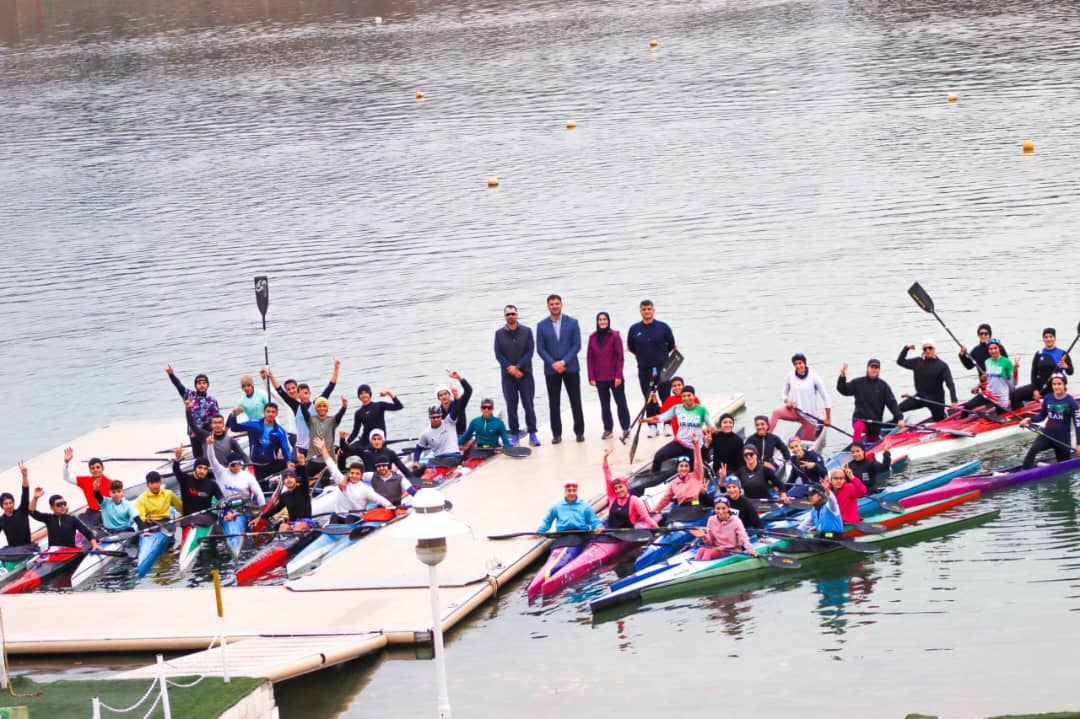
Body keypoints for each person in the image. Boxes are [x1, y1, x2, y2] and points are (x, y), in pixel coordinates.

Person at [536, 294, 586, 444]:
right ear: (548, 306)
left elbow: (576, 345)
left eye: (557, 303)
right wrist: (553, 363)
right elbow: (540, 348)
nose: (555, 306)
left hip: (570, 367)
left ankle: (579, 432)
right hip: (551, 370)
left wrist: (563, 362)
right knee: (554, 402)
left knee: (575, 401)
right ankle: (556, 434)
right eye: (552, 304)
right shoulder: (541, 325)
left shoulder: (572, 322)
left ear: (561, 304)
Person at [267, 359, 341, 455]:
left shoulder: (317, 404)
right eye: (300, 393)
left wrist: (336, 369)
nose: (303, 395)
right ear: (297, 395)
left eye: (306, 393)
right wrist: (271, 376)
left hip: (316, 445)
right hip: (301, 446)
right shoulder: (295, 406)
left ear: (309, 394)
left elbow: (330, 387)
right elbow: (280, 390)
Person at [627, 299, 676, 437]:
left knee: (665, 397)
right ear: (640, 311)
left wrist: (660, 355)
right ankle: (652, 425)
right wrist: (644, 357)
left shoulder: (663, 327)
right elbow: (631, 348)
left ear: (653, 310)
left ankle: (667, 424)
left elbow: (671, 345)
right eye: (644, 309)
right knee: (648, 397)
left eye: (649, 309)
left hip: (663, 367)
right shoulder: (634, 329)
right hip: (644, 369)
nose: (646, 312)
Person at [494, 304, 540, 446]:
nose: (511, 316)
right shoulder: (499, 334)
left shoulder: (526, 331)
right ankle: (514, 434)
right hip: (508, 377)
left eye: (513, 314)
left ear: (517, 315)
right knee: (511, 406)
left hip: (525, 374)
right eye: (508, 314)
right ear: (505, 316)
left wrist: (518, 367)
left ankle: (532, 433)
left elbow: (530, 351)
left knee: (528, 404)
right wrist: (510, 368)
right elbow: (498, 354)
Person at [587, 312, 632, 441]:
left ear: (608, 321)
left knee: (621, 403)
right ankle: (608, 429)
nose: (602, 322)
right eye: (600, 320)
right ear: (597, 322)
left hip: (615, 377)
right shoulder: (592, 337)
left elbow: (620, 357)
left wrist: (618, 375)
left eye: (605, 319)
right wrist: (591, 376)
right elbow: (590, 358)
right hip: (600, 378)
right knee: (604, 405)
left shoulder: (615, 336)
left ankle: (626, 428)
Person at [837, 358, 905, 442]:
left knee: (874, 441)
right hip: (860, 419)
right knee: (858, 428)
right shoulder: (858, 383)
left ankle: (869, 449)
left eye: (876, 368)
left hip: (875, 423)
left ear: (879, 370)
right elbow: (844, 390)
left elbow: (892, 403)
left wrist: (899, 418)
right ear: (867, 368)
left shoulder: (883, 386)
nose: (874, 369)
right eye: (872, 367)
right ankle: (856, 448)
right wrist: (842, 376)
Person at [1019, 374, 1080, 468]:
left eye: (1059, 384)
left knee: (1063, 466)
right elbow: (1041, 417)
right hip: (1047, 434)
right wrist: (1029, 419)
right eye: (1054, 384)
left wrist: (1078, 444)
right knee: (1033, 449)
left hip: (1062, 439)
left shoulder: (1072, 403)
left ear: (1064, 385)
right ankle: (1023, 472)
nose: (1056, 386)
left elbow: (1078, 425)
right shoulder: (1048, 398)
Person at [644, 386, 710, 472]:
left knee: (691, 468)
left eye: (679, 385)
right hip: (680, 441)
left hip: (694, 444)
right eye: (674, 386)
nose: (677, 388)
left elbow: (707, 422)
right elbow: (661, 413)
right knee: (658, 456)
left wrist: (707, 431)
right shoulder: (672, 403)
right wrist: (655, 401)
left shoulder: (698, 405)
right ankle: (653, 478)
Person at [768, 353, 832, 440]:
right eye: (795, 364)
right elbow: (783, 393)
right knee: (776, 412)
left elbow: (826, 398)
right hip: (794, 411)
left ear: (805, 363)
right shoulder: (790, 376)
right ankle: (766, 437)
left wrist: (828, 418)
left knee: (806, 444)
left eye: (800, 363)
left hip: (809, 416)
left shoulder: (814, 377)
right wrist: (787, 401)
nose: (798, 366)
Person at [227, 402, 294, 482]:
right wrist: (234, 415)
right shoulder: (254, 424)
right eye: (268, 411)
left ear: (276, 414)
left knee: (291, 464)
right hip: (255, 464)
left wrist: (289, 461)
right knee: (260, 486)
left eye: (273, 412)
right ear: (264, 412)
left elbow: (285, 448)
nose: (270, 414)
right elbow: (234, 428)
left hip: (271, 464)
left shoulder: (280, 431)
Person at [896, 339, 959, 421]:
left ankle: (944, 416)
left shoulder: (942, 366)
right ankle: (896, 428)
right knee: (898, 409)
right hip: (921, 397)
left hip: (936, 400)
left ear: (934, 349)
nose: (927, 350)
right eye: (925, 349)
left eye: (930, 348)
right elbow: (900, 361)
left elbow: (950, 384)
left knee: (939, 421)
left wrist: (954, 400)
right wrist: (906, 348)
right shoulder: (918, 362)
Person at [165, 365, 219, 459]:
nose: (201, 385)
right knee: (198, 457)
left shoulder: (212, 400)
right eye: (199, 383)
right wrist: (171, 375)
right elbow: (179, 386)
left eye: (204, 383)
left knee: (209, 455)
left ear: (207, 385)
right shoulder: (189, 395)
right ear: (195, 385)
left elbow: (215, 419)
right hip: (194, 433)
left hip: (206, 433)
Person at [1012, 328, 1075, 407]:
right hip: (1039, 386)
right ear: (1043, 339)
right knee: (1014, 395)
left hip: (1054, 388)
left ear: (1054, 338)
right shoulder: (1039, 354)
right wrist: (1035, 390)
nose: (1048, 339)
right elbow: (1033, 373)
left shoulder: (1062, 353)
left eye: (1051, 336)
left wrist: (1066, 366)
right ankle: (1020, 413)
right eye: (1046, 337)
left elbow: (1071, 372)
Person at [601, 448, 658, 529]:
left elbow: (646, 518)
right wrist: (605, 457)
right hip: (609, 530)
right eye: (616, 488)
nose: (618, 490)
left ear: (626, 486)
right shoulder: (613, 497)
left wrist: (657, 529)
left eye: (620, 487)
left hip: (626, 535)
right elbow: (607, 477)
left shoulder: (634, 500)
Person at [328, 455, 395, 523]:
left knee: (350, 518)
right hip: (341, 516)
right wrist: (323, 449)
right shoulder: (341, 481)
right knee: (334, 517)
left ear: (361, 476)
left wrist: (391, 506)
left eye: (357, 474)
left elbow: (379, 499)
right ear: (348, 474)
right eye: (352, 473)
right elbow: (332, 467)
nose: (354, 476)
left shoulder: (365, 489)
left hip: (355, 517)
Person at [650, 436, 706, 514]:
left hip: (695, 505)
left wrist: (696, 445)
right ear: (677, 468)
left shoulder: (696, 475)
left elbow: (698, 462)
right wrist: (655, 510)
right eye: (681, 466)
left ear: (690, 468)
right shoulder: (673, 483)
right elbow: (665, 499)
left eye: (686, 466)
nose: (684, 468)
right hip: (682, 508)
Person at [689, 496, 758, 560]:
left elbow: (744, 538)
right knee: (701, 550)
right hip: (716, 548)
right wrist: (703, 536)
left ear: (728, 508)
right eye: (718, 508)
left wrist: (752, 551)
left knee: (708, 553)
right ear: (715, 509)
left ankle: (704, 571)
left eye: (723, 508)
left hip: (731, 550)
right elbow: (710, 542)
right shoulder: (711, 520)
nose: (721, 511)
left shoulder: (736, 521)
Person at [185, 401, 250, 467]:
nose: (217, 425)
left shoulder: (230, 440)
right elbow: (193, 425)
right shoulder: (205, 436)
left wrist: (249, 465)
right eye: (215, 423)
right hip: (210, 473)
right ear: (211, 425)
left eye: (219, 423)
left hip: (225, 473)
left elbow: (242, 454)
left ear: (223, 425)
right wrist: (188, 409)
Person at [206, 437, 268, 507]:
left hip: (243, 506)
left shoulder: (247, 475)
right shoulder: (220, 472)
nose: (236, 467)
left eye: (238, 464)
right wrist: (210, 445)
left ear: (241, 464)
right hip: (226, 506)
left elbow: (258, 493)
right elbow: (212, 459)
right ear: (228, 465)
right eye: (233, 465)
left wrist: (263, 508)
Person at [28, 489, 99, 549]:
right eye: (59, 505)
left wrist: (94, 545)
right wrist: (35, 498)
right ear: (51, 507)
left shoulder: (72, 519)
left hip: (70, 552)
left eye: (64, 504)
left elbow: (87, 533)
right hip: (54, 553)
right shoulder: (48, 518)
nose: (63, 507)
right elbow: (32, 512)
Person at [962, 339, 1014, 418]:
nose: (993, 351)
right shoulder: (987, 362)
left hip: (1001, 397)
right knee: (968, 406)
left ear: (999, 348)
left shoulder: (1007, 362)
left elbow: (1012, 383)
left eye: (995, 348)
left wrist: (1011, 396)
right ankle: (962, 423)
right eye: (990, 349)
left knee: (1000, 414)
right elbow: (990, 380)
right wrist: (979, 386)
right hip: (988, 394)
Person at [722, 446, 789, 504]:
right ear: (743, 457)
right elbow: (724, 489)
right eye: (745, 455)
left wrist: (783, 495)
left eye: (751, 454)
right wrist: (723, 479)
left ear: (756, 455)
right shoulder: (740, 471)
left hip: (765, 502)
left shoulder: (765, 470)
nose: (748, 456)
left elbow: (780, 485)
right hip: (750, 503)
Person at [344, 384, 404, 448]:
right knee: (343, 452)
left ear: (370, 394)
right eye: (361, 393)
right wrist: (346, 443)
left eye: (366, 393)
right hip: (365, 441)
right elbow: (355, 432)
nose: (364, 395)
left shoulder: (379, 405)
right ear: (359, 396)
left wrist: (389, 393)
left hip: (378, 441)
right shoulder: (358, 413)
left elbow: (399, 406)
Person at [171, 445, 224, 516]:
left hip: (206, 518)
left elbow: (221, 497)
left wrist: (227, 510)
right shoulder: (185, 479)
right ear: (195, 469)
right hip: (189, 519)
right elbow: (176, 470)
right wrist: (177, 459)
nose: (202, 471)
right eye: (200, 468)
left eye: (205, 469)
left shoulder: (212, 484)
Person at [300, 396, 348, 474]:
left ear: (327, 408)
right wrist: (302, 403)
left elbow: (339, 415)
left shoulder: (332, 421)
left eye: (324, 406)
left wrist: (344, 406)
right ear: (316, 409)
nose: (322, 408)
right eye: (319, 406)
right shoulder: (311, 420)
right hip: (313, 459)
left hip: (329, 460)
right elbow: (305, 412)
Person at [536, 482, 603, 533]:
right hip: (563, 535)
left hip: (581, 534)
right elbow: (547, 522)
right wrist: (538, 532)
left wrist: (598, 527)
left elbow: (594, 521)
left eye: (574, 490)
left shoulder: (585, 506)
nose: (572, 493)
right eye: (569, 490)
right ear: (565, 492)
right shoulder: (556, 507)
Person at [62, 448, 112, 514]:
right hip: (92, 514)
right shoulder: (85, 481)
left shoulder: (111, 483)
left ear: (102, 468)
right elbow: (66, 477)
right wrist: (66, 463)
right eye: (93, 468)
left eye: (98, 467)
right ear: (90, 470)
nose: (95, 470)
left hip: (107, 514)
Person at [412, 406, 463, 472]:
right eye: (433, 417)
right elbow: (418, 449)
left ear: (441, 416)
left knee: (432, 462)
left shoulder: (449, 422)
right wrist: (416, 461)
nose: (436, 419)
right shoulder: (425, 433)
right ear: (429, 417)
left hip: (454, 456)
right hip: (438, 459)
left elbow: (456, 410)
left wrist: (456, 398)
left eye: (438, 417)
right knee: (426, 464)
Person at [1, 461, 34, 551]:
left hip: (28, 548)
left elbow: (25, 492)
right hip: (14, 552)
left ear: (13, 503)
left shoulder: (22, 511)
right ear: (2, 506)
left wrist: (24, 476)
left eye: (10, 503)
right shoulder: (1, 520)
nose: (9, 506)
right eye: (5, 504)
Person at [436, 370, 473, 435]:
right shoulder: (438, 411)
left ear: (450, 395)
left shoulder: (460, 403)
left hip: (461, 436)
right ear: (438, 398)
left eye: (445, 394)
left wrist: (459, 377)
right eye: (441, 395)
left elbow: (468, 390)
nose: (444, 397)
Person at [710, 413, 745, 478]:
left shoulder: (738, 440)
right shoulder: (715, 437)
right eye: (725, 422)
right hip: (719, 471)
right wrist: (706, 442)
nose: (728, 424)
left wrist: (737, 474)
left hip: (734, 471)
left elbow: (741, 462)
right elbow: (703, 452)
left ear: (733, 425)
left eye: (730, 422)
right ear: (720, 424)